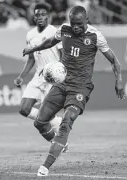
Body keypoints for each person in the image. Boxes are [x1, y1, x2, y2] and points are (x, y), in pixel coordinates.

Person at [23, 6, 126, 176]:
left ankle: (45, 166)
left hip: (80, 88)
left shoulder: (95, 36)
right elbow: (51, 42)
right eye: (73, 24)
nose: (76, 27)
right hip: (61, 85)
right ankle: (59, 144)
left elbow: (115, 61)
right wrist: (33, 49)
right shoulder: (64, 29)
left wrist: (119, 82)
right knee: (39, 122)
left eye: (79, 24)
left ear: (87, 20)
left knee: (67, 120)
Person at [14, 3, 64, 140]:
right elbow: (31, 58)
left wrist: (59, 71)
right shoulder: (30, 35)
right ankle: (56, 122)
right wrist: (21, 76)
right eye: (37, 15)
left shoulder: (55, 32)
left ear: (48, 16)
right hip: (38, 76)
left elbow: (63, 54)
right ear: (34, 17)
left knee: (44, 116)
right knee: (24, 109)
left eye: (43, 14)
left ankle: (56, 141)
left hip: (52, 77)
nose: (40, 17)